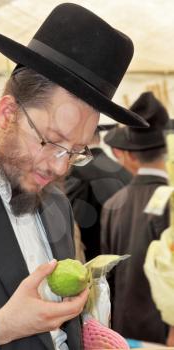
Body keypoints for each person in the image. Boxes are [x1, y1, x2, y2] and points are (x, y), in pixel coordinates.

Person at [0, 3, 147, 350]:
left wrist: (84, 336)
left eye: (76, 151)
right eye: (51, 141)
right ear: (7, 113)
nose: (60, 168)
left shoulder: (55, 203)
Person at [101, 92, 174, 345]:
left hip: (122, 331)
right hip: (165, 334)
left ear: (130, 155)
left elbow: (107, 274)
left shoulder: (112, 204)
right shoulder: (171, 203)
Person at [65, 125, 132, 261]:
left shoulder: (78, 173)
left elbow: (68, 225)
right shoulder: (125, 172)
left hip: (97, 264)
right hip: (127, 259)